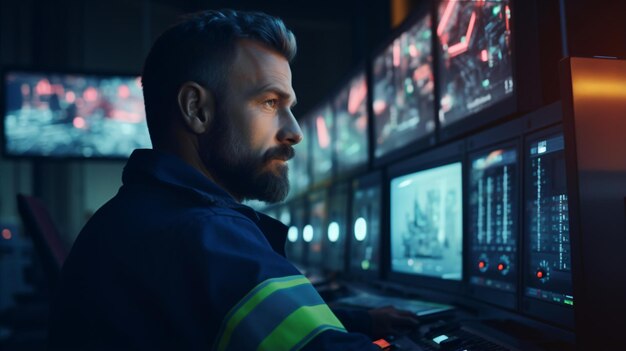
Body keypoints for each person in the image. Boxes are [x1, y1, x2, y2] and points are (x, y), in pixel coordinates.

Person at [48, 9, 418, 350]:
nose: (293, 131)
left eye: (290, 107)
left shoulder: (148, 216)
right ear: (197, 109)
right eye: (270, 103)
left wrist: (362, 320)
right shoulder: (201, 232)